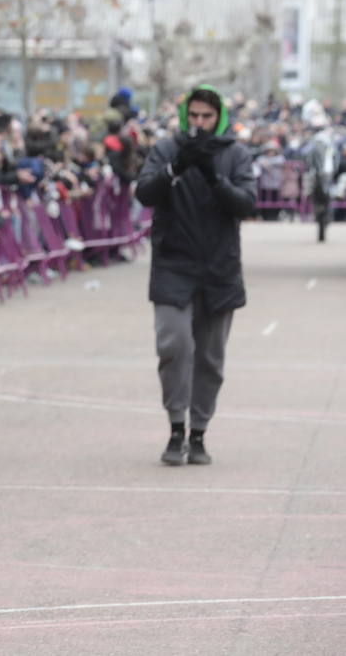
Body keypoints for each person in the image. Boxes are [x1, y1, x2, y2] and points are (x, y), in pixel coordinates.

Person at [135, 85, 255, 466]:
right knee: (174, 344)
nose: (200, 124)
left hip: (220, 266)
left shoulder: (235, 154)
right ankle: (175, 427)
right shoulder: (168, 149)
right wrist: (177, 167)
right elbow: (144, 193)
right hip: (174, 262)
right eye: (194, 116)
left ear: (218, 117)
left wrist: (214, 177)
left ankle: (199, 431)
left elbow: (247, 203)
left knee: (210, 357)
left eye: (207, 116)